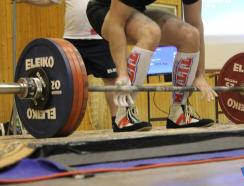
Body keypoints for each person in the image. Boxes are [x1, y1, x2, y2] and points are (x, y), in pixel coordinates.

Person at [14, 0, 147, 132]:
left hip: (101, 39)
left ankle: (118, 121)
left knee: (112, 80)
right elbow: (48, 1)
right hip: (72, 41)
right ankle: (58, 124)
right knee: (64, 84)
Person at [87, 0, 218, 129]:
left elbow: (196, 24)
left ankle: (179, 112)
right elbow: (116, 23)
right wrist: (122, 74)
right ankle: (124, 113)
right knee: (151, 32)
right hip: (105, 11)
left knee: (191, 35)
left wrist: (200, 75)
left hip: (136, 10)